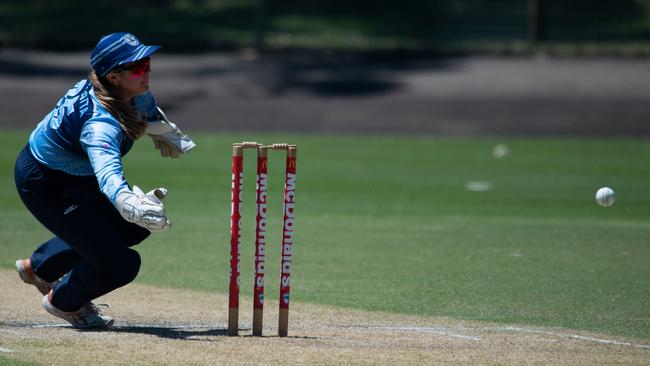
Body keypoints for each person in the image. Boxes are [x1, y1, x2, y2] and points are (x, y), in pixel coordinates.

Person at [14, 32, 194, 329]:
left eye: (147, 63)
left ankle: (41, 267)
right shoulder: (100, 125)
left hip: (73, 176)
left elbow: (146, 111)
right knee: (121, 264)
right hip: (48, 185)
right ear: (114, 76)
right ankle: (63, 301)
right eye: (137, 68)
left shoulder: (127, 92)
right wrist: (129, 202)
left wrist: (164, 132)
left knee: (132, 229)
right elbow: (108, 174)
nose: (147, 71)